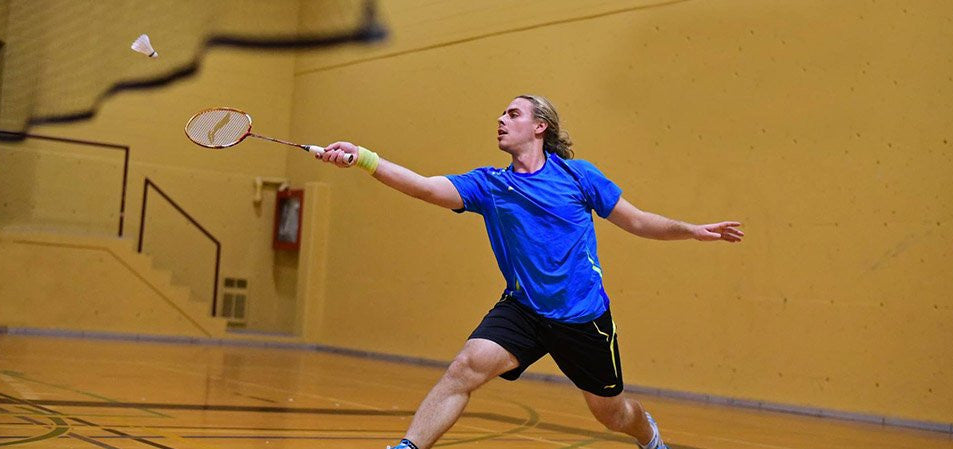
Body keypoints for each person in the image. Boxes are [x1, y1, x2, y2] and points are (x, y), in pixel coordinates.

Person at [316, 95, 744, 449]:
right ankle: (409, 447)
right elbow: (425, 186)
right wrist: (364, 158)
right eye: (500, 115)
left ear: (540, 126)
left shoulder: (578, 176)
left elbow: (636, 220)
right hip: (523, 310)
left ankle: (648, 435)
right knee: (465, 368)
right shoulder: (489, 185)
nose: (501, 120)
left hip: (581, 316)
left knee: (611, 413)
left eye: (512, 114)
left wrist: (690, 230)